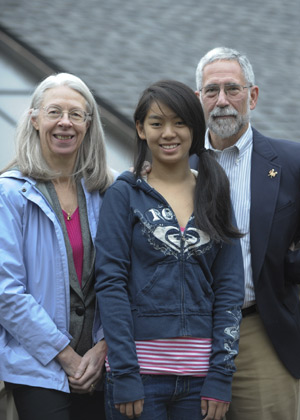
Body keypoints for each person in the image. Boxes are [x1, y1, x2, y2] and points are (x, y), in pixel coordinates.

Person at [95, 80, 245, 420]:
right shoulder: (125, 195)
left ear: (194, 128)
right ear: (140, 128)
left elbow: (229, 288)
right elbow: (110, 283)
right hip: (139, 377)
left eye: (179, 122)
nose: (169, 133)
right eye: (157, 123)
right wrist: (125, 373)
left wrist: (221, 375)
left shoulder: (215, 191)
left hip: (201, 381)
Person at [192, 47, 300, 420]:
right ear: (198, 100)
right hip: (187, 338)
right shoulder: (173, 166)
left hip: (261, 333)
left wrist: (287, 267)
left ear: (252, 96)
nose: (222, 101)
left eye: (232, 89)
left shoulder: (291, 163)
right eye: (211, 91)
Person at [0, 72, 116, 420]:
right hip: (37, 364)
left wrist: (103, 348)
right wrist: (65, 355)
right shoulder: (9, 194)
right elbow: (6, 290)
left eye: (75, 114)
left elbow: (127, 277)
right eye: (54, 112)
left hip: (103, 364)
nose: (64, 123)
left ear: (88, 123)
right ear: (35, 119)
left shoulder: (108, 192)